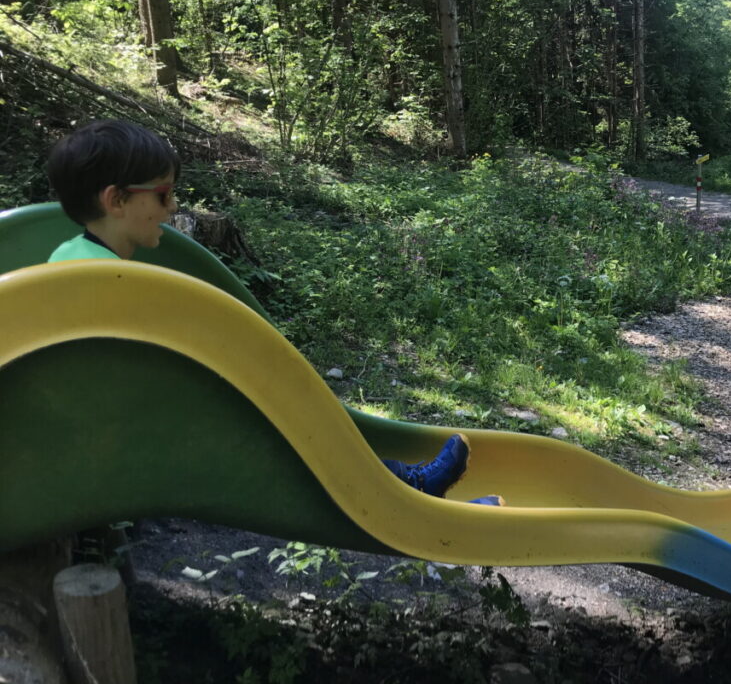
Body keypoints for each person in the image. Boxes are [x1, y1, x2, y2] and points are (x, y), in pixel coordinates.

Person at [45, 119, 503, 505]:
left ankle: (407, 486)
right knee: (286, 439)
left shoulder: (75, 255)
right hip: (133, 441)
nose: (174, 206)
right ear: (117, 200)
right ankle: (412, 489)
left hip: (130, 426)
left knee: (286, 416)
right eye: (164, 195)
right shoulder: (102, 277)